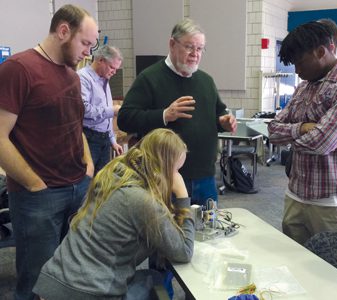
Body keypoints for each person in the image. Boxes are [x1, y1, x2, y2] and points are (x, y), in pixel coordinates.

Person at [0, 5, 97, 299]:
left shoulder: (71, 74)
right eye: (85, 43)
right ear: (63, 31)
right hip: (38, 197)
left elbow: (75, 125)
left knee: (70, 275)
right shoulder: (19, 69)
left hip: (76, 187)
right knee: (35, 283)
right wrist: (33, 184)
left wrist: (89, 166)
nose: (88, 53)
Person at [33, 128, 194, 300]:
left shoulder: (113, 177)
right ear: (164, 168)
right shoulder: (142, 200)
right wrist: (183, 196)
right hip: (87, 293)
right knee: (153, 280)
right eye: (177, 171)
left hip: (53, 283)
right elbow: (183, 252)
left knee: (146, 276)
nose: (177, 177)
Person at [267, 21, 337, 245]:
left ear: (322, 51)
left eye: (300, 62)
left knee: (335, 274)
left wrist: (295, 133)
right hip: (295, 196)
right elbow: (273, 131)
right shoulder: (304, 86)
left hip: (333, 204)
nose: (296, 70)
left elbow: (323, 141)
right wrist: (304, 127)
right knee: (294, 270)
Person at [117, 18, 237, 207]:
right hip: (163, 178)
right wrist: (164, 115)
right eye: (189, 47)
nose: (195, 54)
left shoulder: (206, 81)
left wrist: (223, 121)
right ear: (172, 44)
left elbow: (218, 114)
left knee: (208, 233)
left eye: (200, 49)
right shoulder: (149, 78)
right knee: (166, 234)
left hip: (205, 177)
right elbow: (125, 119)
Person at [78, 44, 124, 174]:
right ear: (100, 60)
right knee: (87, 180)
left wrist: (112, 140)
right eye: (112, 67)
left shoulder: (104, 79)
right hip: (89, 138)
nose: (114, 72)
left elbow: (105, 118)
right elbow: (84, 109)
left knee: (102, 182)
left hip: (104, 139)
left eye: (116, 69)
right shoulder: (83, 78)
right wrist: (112, 110)